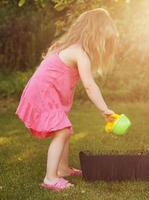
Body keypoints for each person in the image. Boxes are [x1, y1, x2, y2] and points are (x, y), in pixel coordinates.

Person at [15, 8, 118, 191]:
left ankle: (62, 169)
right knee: (62, 131)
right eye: (103, 39)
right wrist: (104, 109)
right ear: (94, 33)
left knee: (66, 130)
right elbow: (89, 86)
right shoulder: (79, 52)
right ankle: (50, 179)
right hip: (42, 93)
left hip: (43, 92)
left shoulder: (68, 47)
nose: (103, 44)